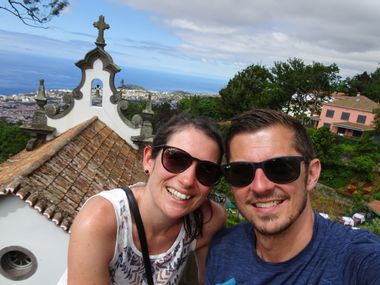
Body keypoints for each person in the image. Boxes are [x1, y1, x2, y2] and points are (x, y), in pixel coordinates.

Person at [206, 109, 380, 285]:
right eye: (241, 172)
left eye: (280, 168)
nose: (260, 186)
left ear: (311, 174)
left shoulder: (358, 260)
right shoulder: (221, 249)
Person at [58, 113, 226, 285]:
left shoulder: (207, 221)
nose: (188, 180)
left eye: (206, 171)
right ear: (148, 160)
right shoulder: (101, 220)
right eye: (175, 159)